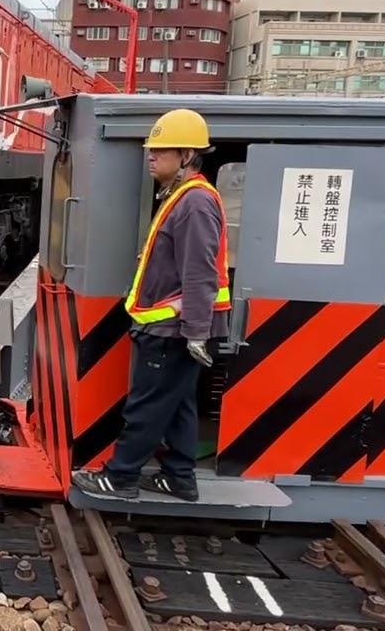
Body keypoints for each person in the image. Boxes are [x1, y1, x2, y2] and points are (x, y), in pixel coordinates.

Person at [73, 108, 231, 503]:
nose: (151, 156)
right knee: (177, 403)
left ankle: (121, 477)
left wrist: (196, 331)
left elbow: (200, 273)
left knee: (146, 403)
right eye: (151, 149)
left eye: (161, 150)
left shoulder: (194, 203)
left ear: (187, 156)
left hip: (174, 330)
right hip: (170, 327)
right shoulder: (183, 197)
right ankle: (180, 477)